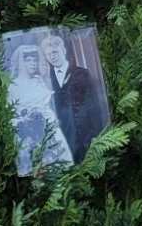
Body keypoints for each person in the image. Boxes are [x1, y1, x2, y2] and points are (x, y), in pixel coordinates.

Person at [5, 39, 73, 173]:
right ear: (21, 62)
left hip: (49, 128)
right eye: (28, 60)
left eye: (34, 60)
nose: (32, 63)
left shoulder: (40, 81)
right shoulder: (13, 86)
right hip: (27, 133)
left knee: (60, 163)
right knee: (36, 167)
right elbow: (11, 113)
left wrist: (52, 121)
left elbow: (49, 106)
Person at [40, 30, 107, 159]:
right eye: (48, 54)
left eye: (55, 52)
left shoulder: (82, 74)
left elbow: (94, 105)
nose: (52, 57)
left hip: (83, 134)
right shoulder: (47, 78)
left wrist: (96, 134)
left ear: (63, 50)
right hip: (61, 136)